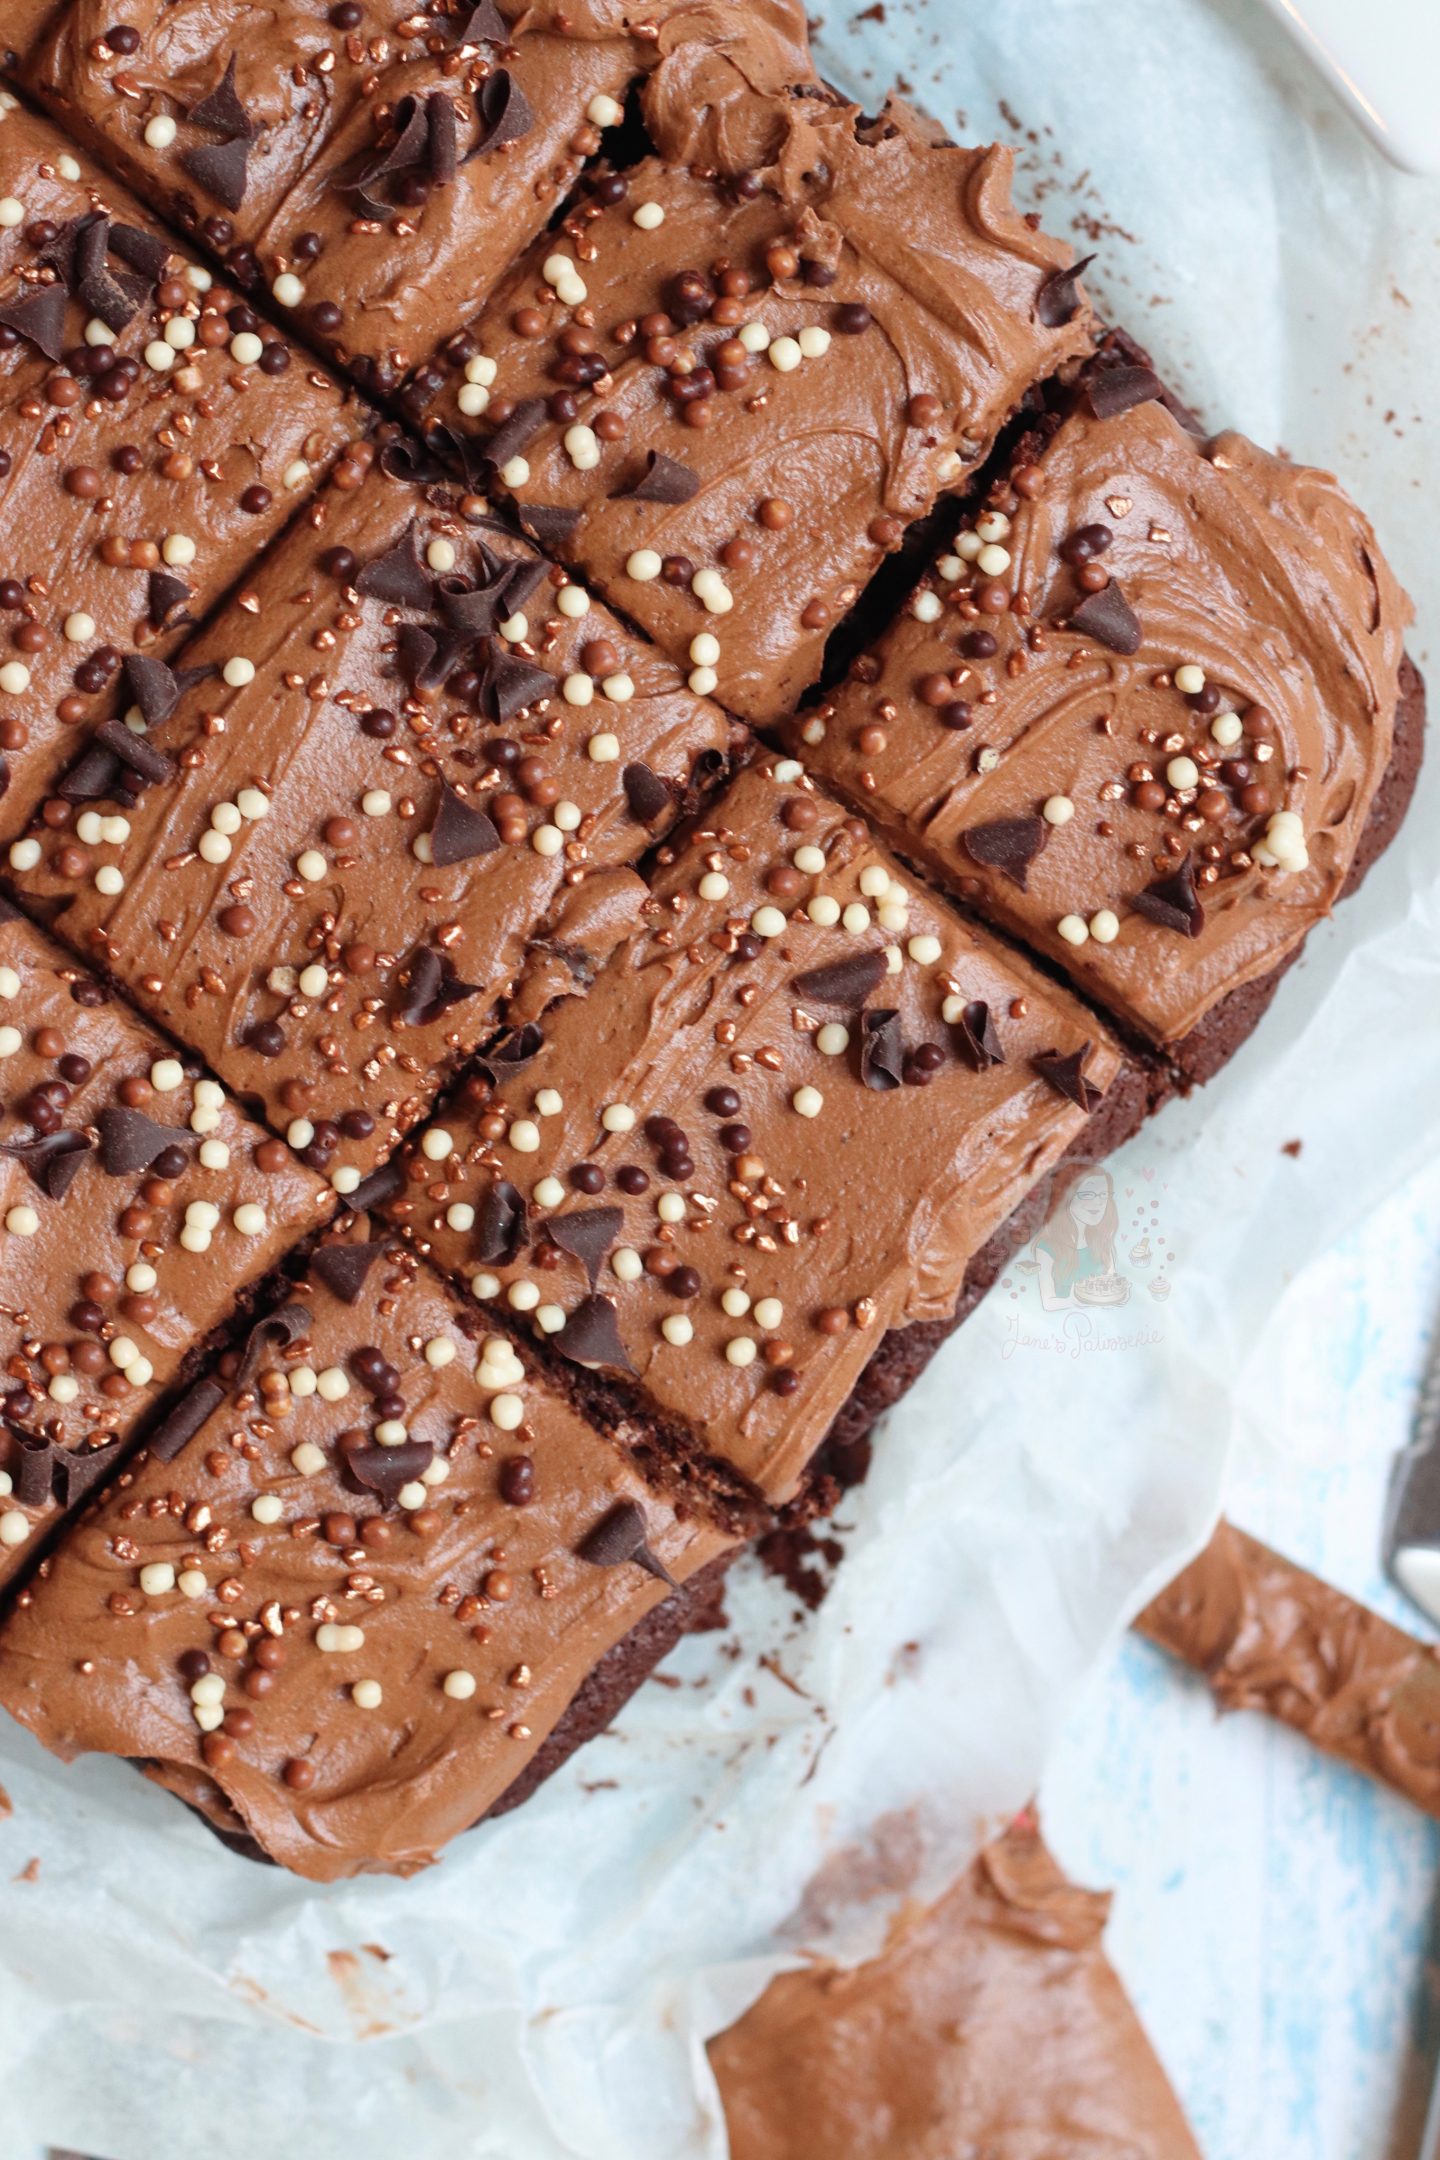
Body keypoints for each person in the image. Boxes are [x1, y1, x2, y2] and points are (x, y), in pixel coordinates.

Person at [1033, 1163, 1121, 1311]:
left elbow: (1111, 1286)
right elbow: (1048, 1303)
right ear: (1067, 1197)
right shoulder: (1047, 1248)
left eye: (1103, 1195)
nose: (1098, 1202)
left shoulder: (1102, 1242)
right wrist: (1073, 1301)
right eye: (1087, 1194)